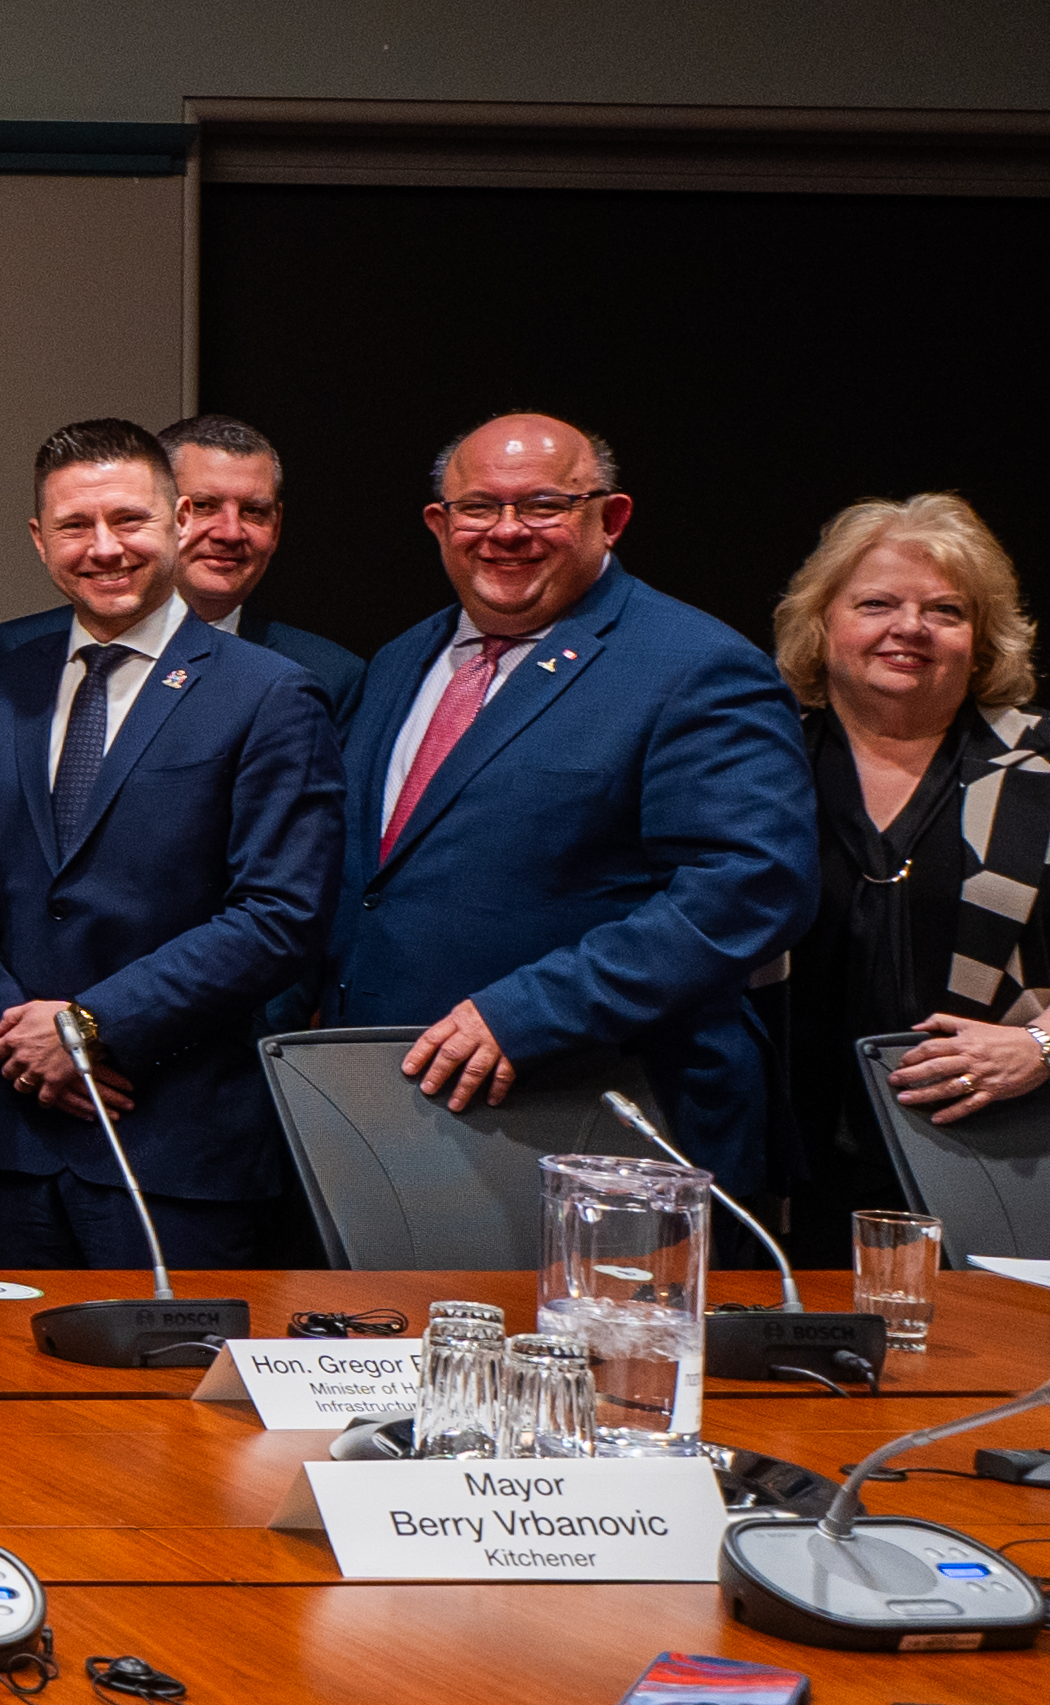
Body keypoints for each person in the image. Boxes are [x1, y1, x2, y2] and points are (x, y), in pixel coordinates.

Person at [324, 411, 820, 1196]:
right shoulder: (396, 662)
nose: (506, 531)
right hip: (390, 1114)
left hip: (594, 1117)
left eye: (543, 505)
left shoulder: (697, 666)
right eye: (479, 506)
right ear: (438, 522)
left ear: (609, 518)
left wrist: (530, 1012)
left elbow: (751, 885)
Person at [763, 493, 1050, 1245]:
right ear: (820, 622)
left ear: (981, 637)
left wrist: (1041, 1046)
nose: (908, 627)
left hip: (1007, 1159)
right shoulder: (754, 758)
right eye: (875, 602)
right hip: (778, 1167)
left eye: (944, 610)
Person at [0, 420, 342, 1271]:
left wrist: (91, 1028)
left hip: (175, 1138)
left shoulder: (269, 693)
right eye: (74, 526)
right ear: (37, 538)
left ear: (176, 522)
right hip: (20, 1135)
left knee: (164, 1403)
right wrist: (24, 1039)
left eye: (129, 520)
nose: (104, 548)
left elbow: (281, 914)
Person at [158, 414, 374, 703]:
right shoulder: (85, 648)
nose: (231, 533)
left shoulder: (327, 677)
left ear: (277, 527)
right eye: (203, 506)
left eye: (253, 511)